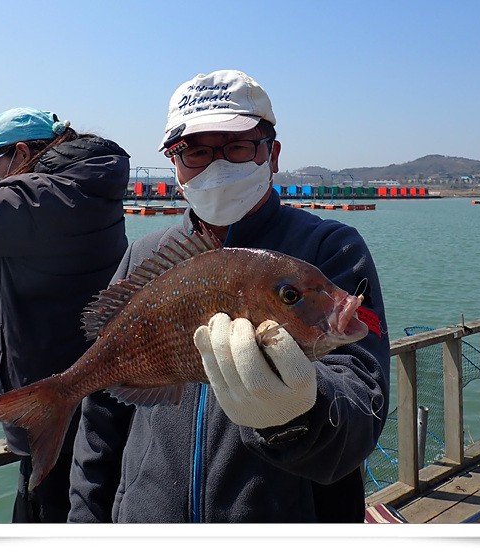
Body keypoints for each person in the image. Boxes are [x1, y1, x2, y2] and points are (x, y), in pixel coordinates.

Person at [68, 70, 390, 524]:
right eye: (195, 152)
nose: (216, 166)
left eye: (237, 147)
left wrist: (296, 414)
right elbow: (100, 419)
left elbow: (363, 407)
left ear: (272, 154)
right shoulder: (143, 256)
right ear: (174, 163)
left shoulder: (332, 249)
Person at [0, 103, 130, 523]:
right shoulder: (79, 190)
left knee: (55, 514)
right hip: (81, 404)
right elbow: (12, 181)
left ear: (24, 154)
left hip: (63, 416)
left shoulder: (46, 202)